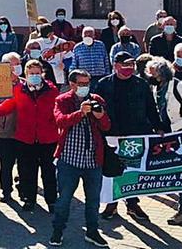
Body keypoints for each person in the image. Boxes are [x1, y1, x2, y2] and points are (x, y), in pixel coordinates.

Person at [94, 52, 162, 221]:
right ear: (115, 66)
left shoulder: (141, 84)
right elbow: (97, 111)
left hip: (135, 134)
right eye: (124, 65)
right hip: (112, 135)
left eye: (131, 65)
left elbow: (150, 108)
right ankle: (112, 203)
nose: (128, 68)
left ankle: (132, 204)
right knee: (112, 171)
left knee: (132, 170)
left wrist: (158, 127)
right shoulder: (103, 84)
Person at [0, 59, 59, 212]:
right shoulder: (19, 90)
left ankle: (51, 201)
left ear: (42, 74)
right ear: (26, 74)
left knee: (49, 172)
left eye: (37, 73)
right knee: (27, 172)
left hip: (47, 139)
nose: (35, 76)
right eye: (31, 73)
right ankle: (29, 199)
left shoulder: (51, 90)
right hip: (25, 139)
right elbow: (8, 106)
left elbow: (58, 110)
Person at [50, 69, 111, 248]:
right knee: (64, 199)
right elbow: (60, 121)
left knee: (93, 200)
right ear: (72, 84)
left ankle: (92, 232)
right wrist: (80, 113)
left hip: (93, 161)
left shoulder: (97, 100)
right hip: (69, 160)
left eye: (87, 84)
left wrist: (101, 116)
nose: (85, 87)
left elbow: (107, 126)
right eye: (81, 84)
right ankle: (57, 232)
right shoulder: (63, 100)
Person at [143, 57, 182, 226]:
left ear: (162, 73)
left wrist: (181, 129)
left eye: (153, 73)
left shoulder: (180, 87)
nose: (150, 76)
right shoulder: (158, 87)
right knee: (176, 171)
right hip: (168, 136)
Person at [0, 52, 23, 203]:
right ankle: (6, 191)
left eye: (18, 64)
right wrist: (1, 122)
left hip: (24, 133)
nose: (16, 67)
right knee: (6, 165)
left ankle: (22, 187)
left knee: (24, 164)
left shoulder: (26, 84)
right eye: (13, 64)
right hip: (6, 133)